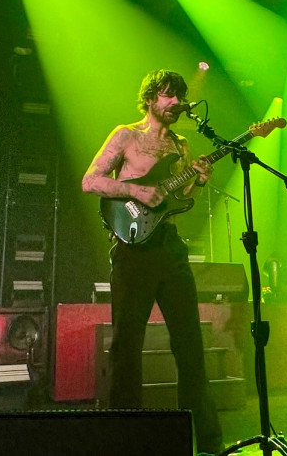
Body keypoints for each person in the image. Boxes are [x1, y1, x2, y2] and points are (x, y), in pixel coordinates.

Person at [81, 69, 222, 454]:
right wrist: (135, 191)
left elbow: (178, 197)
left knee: (190, 343)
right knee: (128, 344)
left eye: (179, 96)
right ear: (149, 99)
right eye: (168, 95)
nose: (176, 103)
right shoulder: (126, 135)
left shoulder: (181, 145)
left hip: (169, 246)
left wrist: (198, 180)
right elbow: (90, 181)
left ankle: (206, 439)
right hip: (132, 250)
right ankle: (124, 439)